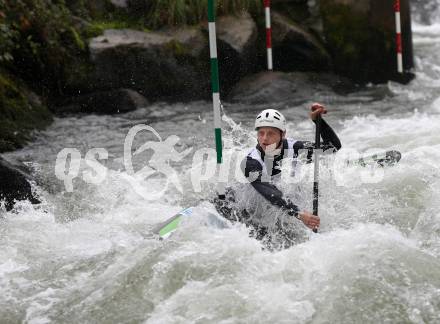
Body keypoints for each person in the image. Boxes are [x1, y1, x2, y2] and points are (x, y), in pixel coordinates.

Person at [240, 103, 342, 232]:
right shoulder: (250, 162)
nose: (264, 139)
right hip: (243, 213)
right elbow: (269, 191)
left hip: (274, 211)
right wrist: (299, 214)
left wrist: (318, 122)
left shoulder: (294, 148)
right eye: (261, 133)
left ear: (283, 134)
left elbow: (333, 147)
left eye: (270, 133)